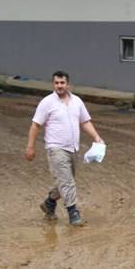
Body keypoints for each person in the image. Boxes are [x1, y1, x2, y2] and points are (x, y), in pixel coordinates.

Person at [25, 71, 105, 226]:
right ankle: (73, 213)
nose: (59, 86)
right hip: (56, 148)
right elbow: (35, 125)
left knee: (66, 181)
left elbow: (85, 122)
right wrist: (30, 147)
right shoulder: (47, 102)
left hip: (73, 148)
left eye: (62, 83)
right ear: (53, 84)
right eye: (56, 83)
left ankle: (49, 202)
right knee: (67, 182)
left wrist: (96, 137)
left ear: (68, 84)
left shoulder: (77, 102)